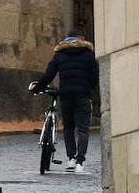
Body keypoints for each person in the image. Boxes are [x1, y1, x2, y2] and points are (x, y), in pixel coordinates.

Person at [30, 31, 98, 174]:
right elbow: (94, 77)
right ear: (81, 40)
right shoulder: (88, 55)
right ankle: (80, 162)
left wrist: (37, 88)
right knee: (83, 129)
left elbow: (48, 75)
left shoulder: (59, 55)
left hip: (66, 95)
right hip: (83, 95)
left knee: (68, 128)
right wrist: (87, 88)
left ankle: (71, 159)